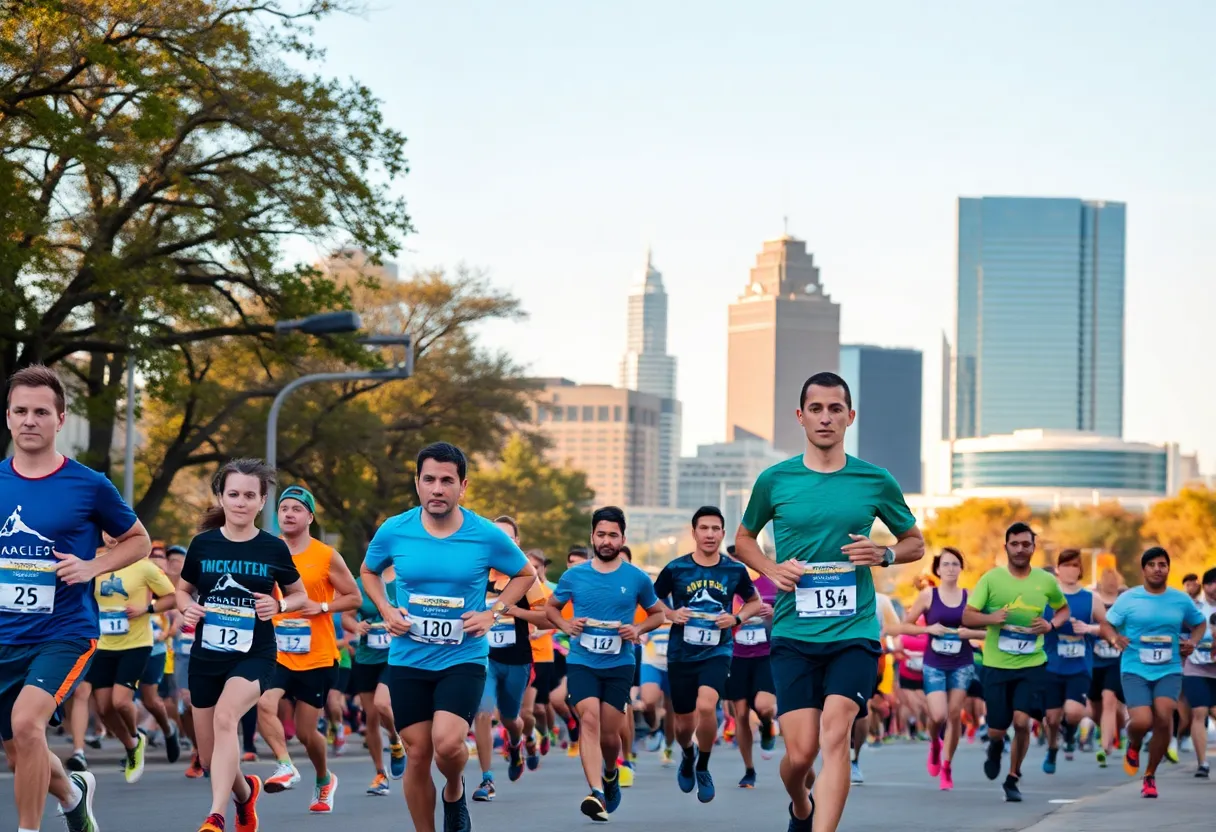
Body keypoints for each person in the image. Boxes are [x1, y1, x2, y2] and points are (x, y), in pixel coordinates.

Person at [731, 372, 925, 832]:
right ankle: (801, 802)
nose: (825, 417)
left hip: (853, 630)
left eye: (835, 409)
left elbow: (915, 542)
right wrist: (771, 569)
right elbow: (743, 540)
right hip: (795, 634)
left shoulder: (874, 480)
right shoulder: (774, 480)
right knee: (800, 756)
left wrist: (885, 554)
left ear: (850, 417)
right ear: (800, 417)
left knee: (836, 734)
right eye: (815, 409)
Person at [1, 364, 152, 832]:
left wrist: (93, 565)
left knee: (28, 726)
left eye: (41, 412)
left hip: (64, 632)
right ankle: (72, 793)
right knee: (19, 747)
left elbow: (139, 541)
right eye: (20, 410)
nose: (30, 420)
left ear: (60, 419)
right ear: (8, 417)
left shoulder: (89, 484)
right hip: (5, 634)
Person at [360, 442, 536, 832]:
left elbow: (526, 574)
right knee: (419, 752)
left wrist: (494, 611)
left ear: (463, 485)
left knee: (448, 744)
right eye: (429, 480)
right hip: (408, 658)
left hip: (463, 657)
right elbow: (369, 572)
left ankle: (454, 788)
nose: (437, 489)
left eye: (446, 481)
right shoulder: (394, 530)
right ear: (417, 484)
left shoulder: (485, 534)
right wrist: (388, 610)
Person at [176, 459, 310, 832]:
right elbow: (183, 590)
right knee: (207, 755)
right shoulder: (202, 545)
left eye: (249, 495)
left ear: (262, 500)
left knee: (226, 718)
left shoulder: (272, 548)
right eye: (233, 494)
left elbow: (300, 596)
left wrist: (279, 604)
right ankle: (244, 794)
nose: (240, 502)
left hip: (255, 654)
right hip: (207, 656)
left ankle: (215, 816)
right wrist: (187, 608)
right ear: (221, 497)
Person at [546, 506, 664, 821]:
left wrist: (637, 629)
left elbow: (658, 615)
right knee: (589, 720)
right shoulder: (574, 575)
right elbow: (551, 607)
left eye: (613, 535)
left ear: (622, 538)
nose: (607, 540)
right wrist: (566, 626)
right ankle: (596, 792)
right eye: (601, 534)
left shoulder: (636, 578)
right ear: (593, 537)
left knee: (610, 735)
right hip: (582, 660)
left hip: (619, 663)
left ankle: (611, 771)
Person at [257, 485, 361, 812]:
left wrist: (325, 607)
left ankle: (323, 777)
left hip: (317, 655)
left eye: (296, 509)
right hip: (276, 651)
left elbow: (354, 597)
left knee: (306, 732)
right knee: (264, 702)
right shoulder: (267, 550)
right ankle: (285, 765)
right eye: (284, 508)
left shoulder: (326, 555)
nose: (288, 513)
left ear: (309, 517)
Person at [654, 506, 761, 802]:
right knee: (684, 720)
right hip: (681, 653)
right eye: (704, 528)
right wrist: (672, 613)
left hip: (718, 650)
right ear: (694, 533)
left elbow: (753, 602)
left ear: (723, 534)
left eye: (716, 529)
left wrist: (736, 618)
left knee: (706, 705)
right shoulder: (676, 568)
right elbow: (653, 599)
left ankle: (702, 764)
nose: (710, 534)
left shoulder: (734, 569)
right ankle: (687, 755)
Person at [962, 522, 1069, 803]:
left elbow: (1063, 609)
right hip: (997, 665)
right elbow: (967, 616)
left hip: (1032, 664)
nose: (1020, 549)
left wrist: (1051, 625)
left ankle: (1013, 777)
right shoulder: (991, 580)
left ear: (1033, 548)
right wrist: (991, 618)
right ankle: (995, 745)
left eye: (1026, 544)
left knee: (1022, 722)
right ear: (1006, 547)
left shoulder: (1046, 581)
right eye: (1015, 544)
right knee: (998, 727)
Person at [1099, 547, 1205, 798]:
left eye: (1163, 564)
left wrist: (1193, 642)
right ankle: (1133, 744)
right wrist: (1114, 639)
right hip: (1135, 668)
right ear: (1143, 570)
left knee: (1164, 717)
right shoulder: (1129, 598)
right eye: (1152, 565)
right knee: (1143, 721)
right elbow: (1106, 624)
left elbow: (1199, 623)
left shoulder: (1180, 599)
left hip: (1169, 668)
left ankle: (1149, 775)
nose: (1158, 569)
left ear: (1168, 569)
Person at [87, 535, 178, 783]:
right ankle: (132, 744)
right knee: (104, 708)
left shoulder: (143, 565)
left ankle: (167, 729)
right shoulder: (93, 563)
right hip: (104, 644)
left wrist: (145, 610)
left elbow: (172, 597)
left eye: (118, 530)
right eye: (107, 531)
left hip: (137, 643)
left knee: (123, 702)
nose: (112, 536)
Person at [471, 515, 550, 800]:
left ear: (516, 542)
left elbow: (548, 619)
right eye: (497, 535)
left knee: (511, 718)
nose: (502, 541)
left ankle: (517, 742)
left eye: (508, 536)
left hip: (517, 660)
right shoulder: (477, 574)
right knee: (482, 712)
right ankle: (486, 779)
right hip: (484, 657)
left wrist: (516, 612)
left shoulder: (526, 576)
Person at [896, 548, 985, 790]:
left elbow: (988, 631)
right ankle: (935, 743)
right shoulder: (927, 596)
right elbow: (905, 627)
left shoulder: (971, 597)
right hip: (934, 662)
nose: (950, 568)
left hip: (961, 662)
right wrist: (927, 630)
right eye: (945, 564)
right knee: (938, 715)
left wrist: (970, 633)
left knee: (955, 714)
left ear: (960, 568)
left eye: (955, 564)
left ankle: (947, 765)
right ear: (938, 569)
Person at [343, 562, 406, 795]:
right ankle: (380, 774)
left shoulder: (404, 580)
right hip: (366, 656)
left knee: (382, 704)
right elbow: (347, 618)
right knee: (370, 717)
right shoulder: (360, 584)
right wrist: (357, 625)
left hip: (395, 655)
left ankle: (394, 738)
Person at [1041, 549, 1106, 774]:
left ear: (1081, 570)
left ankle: (1070, 733)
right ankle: (1052, 748)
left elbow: (1108, 629)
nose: (1071, 570)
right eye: (1066, 565)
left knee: (1074, 712)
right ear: (1058, 569)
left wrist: (1089, 628)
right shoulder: (1046, 596)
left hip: (1079, 666)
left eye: (1075, 565)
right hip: (1050, 665)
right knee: (1051, 718)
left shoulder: (1091, 599)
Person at [726, 557, 777, 789]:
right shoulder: (727, 587)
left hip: (765, 655)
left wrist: (771, 613)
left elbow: (789, 615)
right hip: (737, 657)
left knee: (765, 706)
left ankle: (767, 725)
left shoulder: (772, 583)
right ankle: (749, 770)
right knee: (742, 714)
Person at [521, 549, 557, 769]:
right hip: (522, 654)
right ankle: (520, 741)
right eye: (529, 566)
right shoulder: (512, 588)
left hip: (543, 655)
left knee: (540, 708)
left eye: (537, 566)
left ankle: (542, 732)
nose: (533, 570)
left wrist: (539, 632)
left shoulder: (546, 592)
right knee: (518, 710)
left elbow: (555, 622)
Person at [1089, 566, 1126, 767]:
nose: (1111, 583)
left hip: (1116, 658)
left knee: (1109, 699)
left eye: (1114, 580)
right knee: (1095, 706)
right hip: (1095, 658)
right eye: (1107, 580)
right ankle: (1113, 730)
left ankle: (1105, 747)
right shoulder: (1094, 599)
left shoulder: (1123, 601)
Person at [1183, 567, 1216, 778]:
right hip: (1195, 667)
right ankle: (1202, 763)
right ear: (1204, 586)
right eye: (1211, 583)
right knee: (1199, 712)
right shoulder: (1194, 609)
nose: (1215, 588)